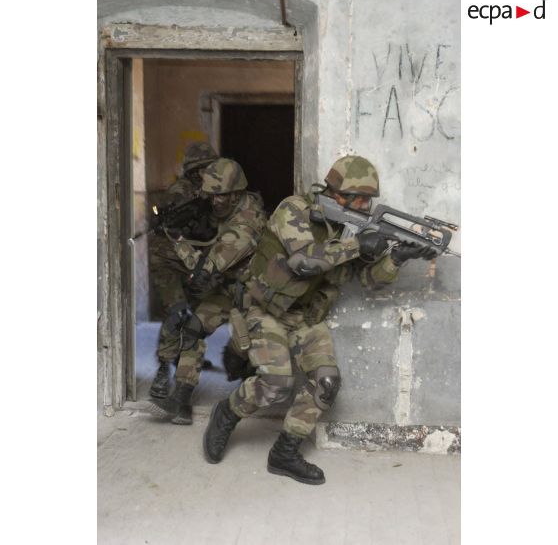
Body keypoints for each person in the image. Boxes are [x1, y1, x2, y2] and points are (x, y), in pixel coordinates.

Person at [203, 155, 437, 484]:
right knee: (276, 385)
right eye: (358, 198)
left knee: (326, 383)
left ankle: (285, 452)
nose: (365, 205)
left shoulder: (350, 227)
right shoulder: (294, 209)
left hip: (306, 314)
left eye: (368, 200)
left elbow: (369, 281)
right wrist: (356, 244)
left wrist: (397, 258)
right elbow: (302, 263)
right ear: (336, 192)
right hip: (263, 310)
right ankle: (227, 413)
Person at [147, 158, 267, 425]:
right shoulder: (235, 204)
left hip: (252, 296)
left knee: (242, 358)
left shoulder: (244, 229)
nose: (214, 202)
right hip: (229, 287)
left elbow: (203, 271)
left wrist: (178, 239)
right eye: (211, 195)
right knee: (193, 327)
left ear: (236, 193)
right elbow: (209, 214)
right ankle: (180, 401)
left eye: (220, 197)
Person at [148, 142, 219, 399]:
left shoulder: (209, 193)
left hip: (192, 260)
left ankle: (185, 362)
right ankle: (163, 369)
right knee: (177, 313)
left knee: (196, 318)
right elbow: (171, 225)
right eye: (206, 168)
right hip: (168, 262)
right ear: (195, 170)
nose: (210, 172)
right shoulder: (180, 192)